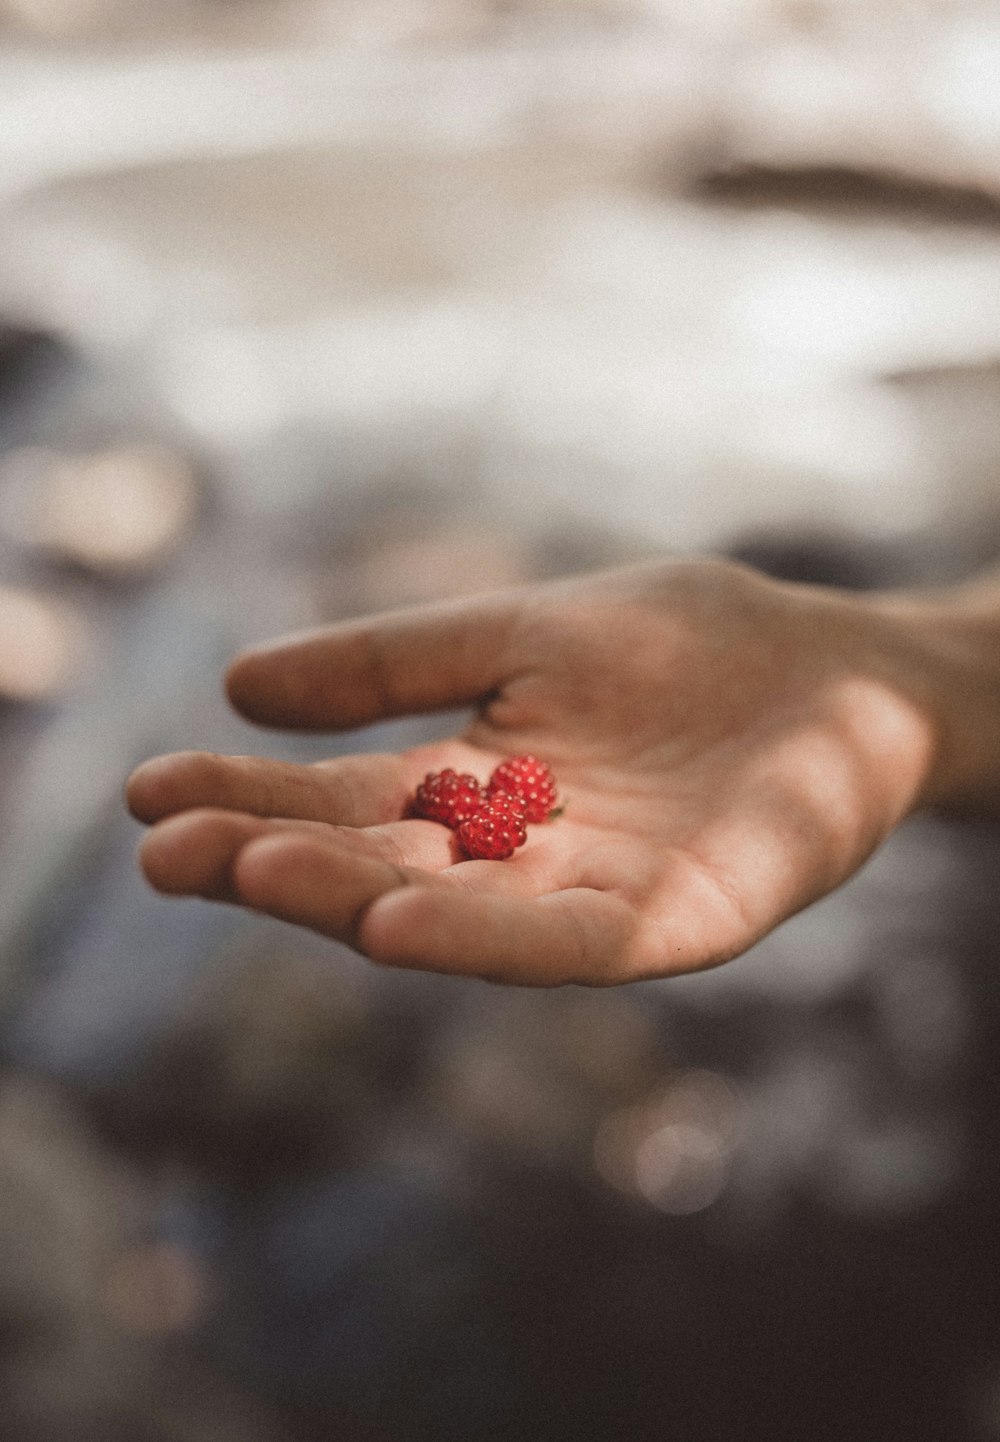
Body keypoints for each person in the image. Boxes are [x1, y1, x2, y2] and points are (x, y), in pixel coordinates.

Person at [126, 555, 1000, 986]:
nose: (497, 809)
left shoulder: (496, 806)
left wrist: (902, 680)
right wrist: (907, 669)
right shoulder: (492, 805)